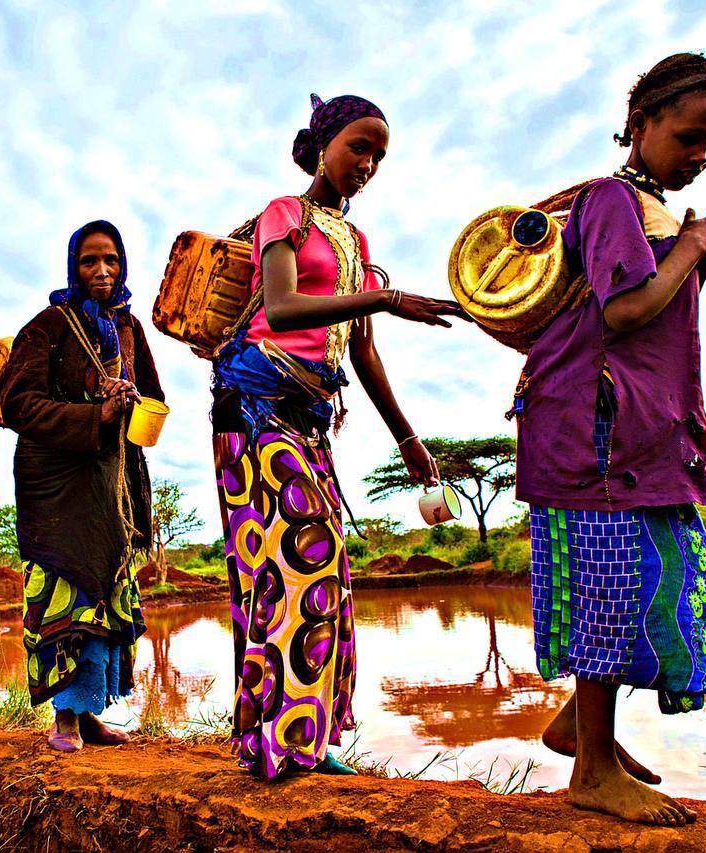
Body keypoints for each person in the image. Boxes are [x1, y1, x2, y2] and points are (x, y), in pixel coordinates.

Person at [512, 53, 706, 825]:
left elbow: (658, 306)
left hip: (639, 431)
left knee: (654, 571)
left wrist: (699, 251)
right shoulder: (612, 199)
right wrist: (690, 246)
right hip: (593, 433)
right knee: (611, 587)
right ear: (641, 124)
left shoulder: (654, 213)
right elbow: (620, 312)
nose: (700, 156)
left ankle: (582, 731)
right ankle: (589, 769)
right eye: (688, 137)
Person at [213, 93, 470, 780]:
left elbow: (363, 353)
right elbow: (282, 305)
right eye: (359, 145)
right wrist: (387, 296)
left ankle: (306, 734)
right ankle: (277, 739)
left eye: (379, 155)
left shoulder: (356, 244)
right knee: (302, 555)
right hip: (255, 405)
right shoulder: (284, 214)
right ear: (324, 142)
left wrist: (409, 440)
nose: (368, 163)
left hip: (310, 418)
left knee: (327, 572)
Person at [0, 220, 164, 752]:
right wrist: (93, 415)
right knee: (65, 593)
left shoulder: (130, 327)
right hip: (57, 484)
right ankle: (64, 720)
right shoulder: (48, 325)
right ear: (73, 267)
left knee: (107, 592)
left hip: (110, 480)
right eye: (89, 261)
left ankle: (90, 714)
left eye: (111, 260)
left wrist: (131, 401)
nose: (101, 271)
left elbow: (153, 395)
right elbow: (18, 403)